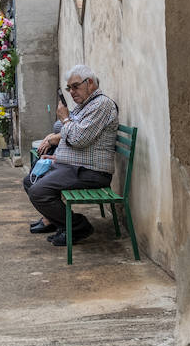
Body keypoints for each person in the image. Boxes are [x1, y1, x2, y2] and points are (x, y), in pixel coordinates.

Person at [21, 65, 118, 246]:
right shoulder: (85, 105)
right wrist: (57, 156)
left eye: (75, 86)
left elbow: (78, 138)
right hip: (74, 165)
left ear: (89, 83)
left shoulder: (101, 105)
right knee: (30, 181)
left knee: (39, 191)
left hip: (91, 172)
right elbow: (67, 131)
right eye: (69, 88)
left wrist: (65, 118)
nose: (71, 92)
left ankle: (78, 226)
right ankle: (57, 222)